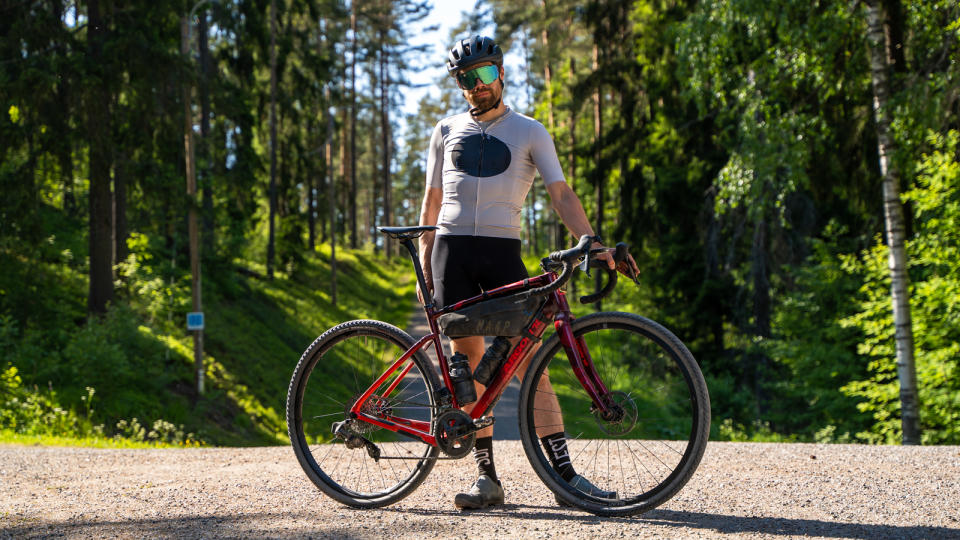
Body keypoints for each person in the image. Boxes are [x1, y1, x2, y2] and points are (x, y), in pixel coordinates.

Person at [416, 35, 639, 510]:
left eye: (483, 75)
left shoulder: (529, 130)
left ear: (500, 73)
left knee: (530, 365)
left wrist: (594, 245)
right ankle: (486, 479)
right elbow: (431, 204)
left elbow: (561, 194)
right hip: (451, 254)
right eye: (465, 79)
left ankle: (564, 478)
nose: (475, 86)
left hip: (501, 253)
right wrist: (425, 267)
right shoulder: (445, 129)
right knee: (471, 372)